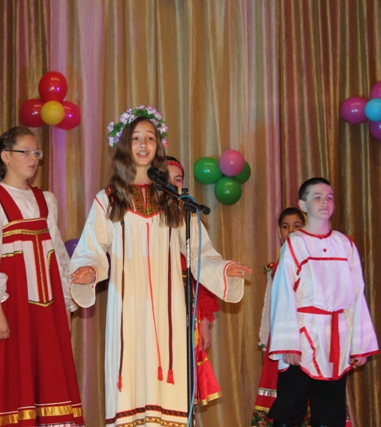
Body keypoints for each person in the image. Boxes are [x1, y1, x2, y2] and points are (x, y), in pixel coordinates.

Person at [70, 106, 251, 426]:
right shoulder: (108, 198)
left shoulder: (174, 199)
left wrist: (223, 269)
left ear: (158, 146)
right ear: (124, 145)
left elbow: (198, 251)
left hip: (168, 307)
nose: (143, 145)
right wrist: (89, 271)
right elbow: (92, 249)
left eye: (150, 138)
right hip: (127, 304)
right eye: (136, 138)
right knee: (130, 377)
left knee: (167, 381)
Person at [0, 126, 84, 427]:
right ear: (6, 156)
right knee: (9, 377)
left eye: (36, 152)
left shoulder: (46, 200)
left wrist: (65, 306)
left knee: (49, 376)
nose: (33, 158)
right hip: (10, 309)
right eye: (25, 152)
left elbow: (57, 255)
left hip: (46, 309)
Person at [268, 177, 378, 427]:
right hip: (303, 337)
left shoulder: (345, 244)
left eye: (329, 197)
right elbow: (283, 294)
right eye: (317, 197)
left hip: (336, 339)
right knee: (290, 409)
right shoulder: (295, 244)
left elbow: (356, 294)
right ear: (303, 205)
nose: (325, 202)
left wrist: (359, 344)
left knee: (331, 411)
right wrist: (289, 344)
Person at [165, 156, 221, 405]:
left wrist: (204, 322)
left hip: (186, 309)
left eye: (178, 180)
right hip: (155, 308)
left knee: (185, 373)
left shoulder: (188, 219)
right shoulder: (143, 222)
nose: (173, 185)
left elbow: (201, 271)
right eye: (167, 180)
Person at [251, 207, 307, 426]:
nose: (290, 231)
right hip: (283, 339)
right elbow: (270, 304)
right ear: (279, 231)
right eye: (285, 226)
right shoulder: (277, 263)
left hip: (308, 336)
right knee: (287, 397)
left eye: (297, 226)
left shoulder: (311, 259)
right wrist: (267, 340)